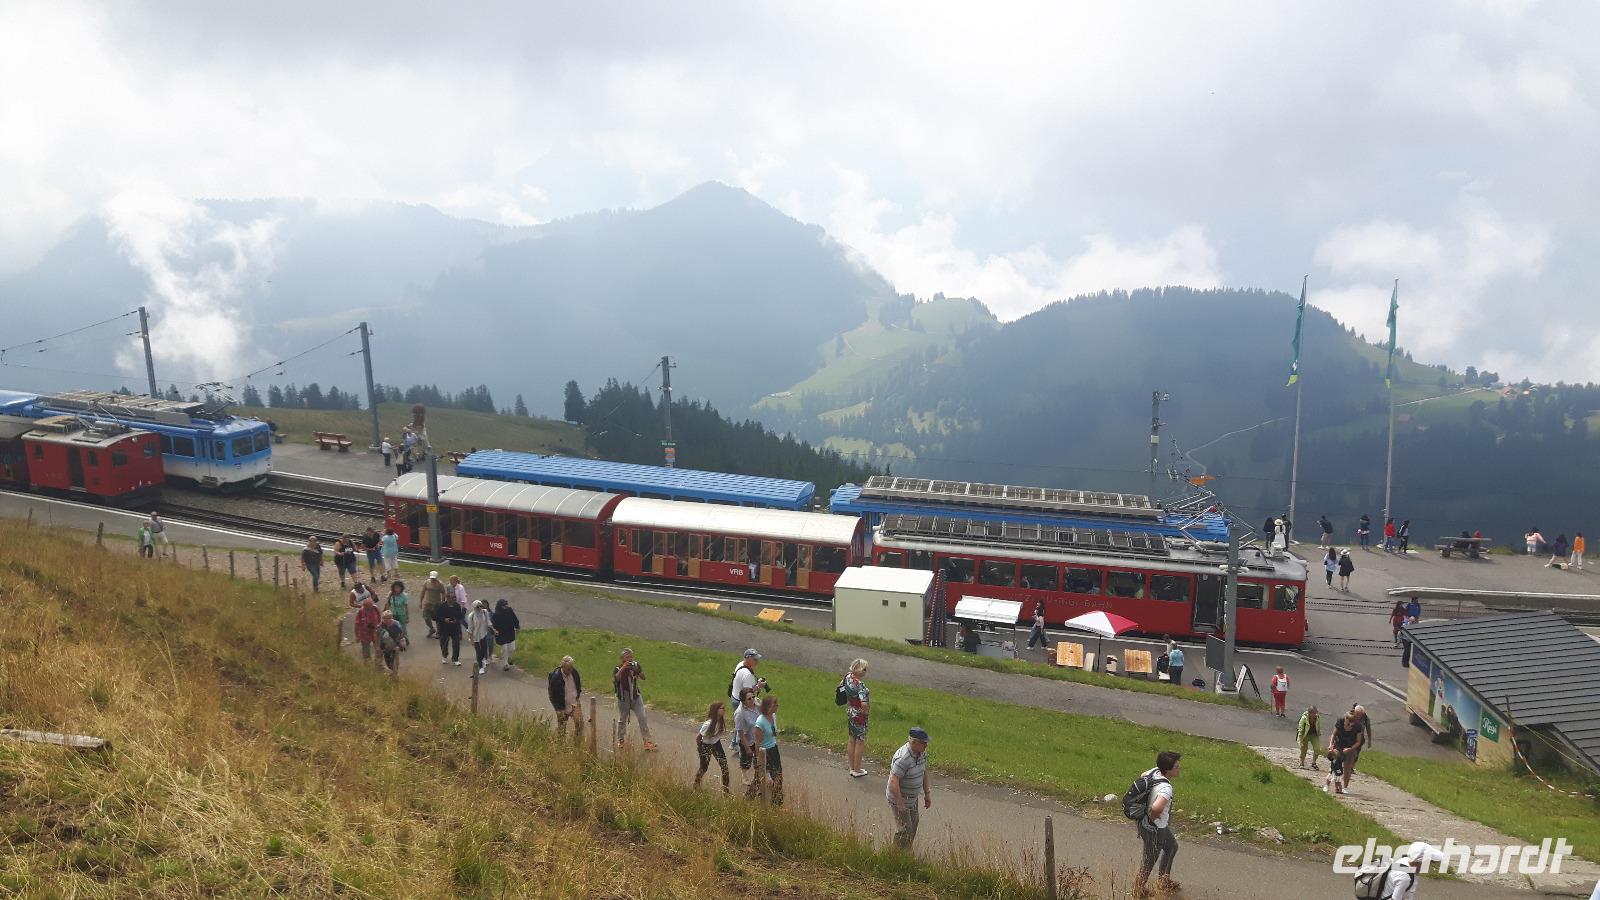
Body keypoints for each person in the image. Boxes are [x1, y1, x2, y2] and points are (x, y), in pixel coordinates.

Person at [1132, 751, 1181, 896]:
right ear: (1168, 770)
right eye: (1177, 767)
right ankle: (1138, 890)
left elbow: (1142, 775)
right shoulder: (1166, 789)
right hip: (1155, 828)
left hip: (1148, 823)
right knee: (1149, 860)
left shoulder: (1154, 771)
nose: (1179, 768)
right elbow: (1157, 807)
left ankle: (1163, 881)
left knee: (1172, 847)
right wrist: (1152, 818)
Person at [886, 726, 932, 851]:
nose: (926, 745)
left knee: (914, 823)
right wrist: (900, 803)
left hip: (912, 798)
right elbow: (893, 781)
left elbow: (923, 771)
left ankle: (906, 851)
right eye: (923, 743)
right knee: (904, 829)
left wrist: (927, 794)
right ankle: (896, 855)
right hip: (900, 799)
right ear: (914, 742)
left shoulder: (921, 753)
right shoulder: (903, 758)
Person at [613, 648, 656, 751]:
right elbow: (615, 679)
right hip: (623, 698)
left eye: (630, 656)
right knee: (622, 719)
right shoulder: (617, 668)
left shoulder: (635, 665)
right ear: (622, 659)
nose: (629, 659)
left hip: (635, 696)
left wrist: (637, 670)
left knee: (642, 717)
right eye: (627, 657)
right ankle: (621, 740)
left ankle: (647, 742)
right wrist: (623, 668)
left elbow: (643, 677)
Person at [749, 696, 782, 805]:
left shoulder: (773, 716)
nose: (777, 706)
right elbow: (757, 742)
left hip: (774, 749)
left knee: (778, 777)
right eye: (775, 704)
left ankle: (776, 803)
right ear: (769, 706)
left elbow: (773, 733)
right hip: (764, 752)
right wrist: (758, 759)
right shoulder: (760, 722)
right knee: (759, 779)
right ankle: (748, 798)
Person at [694, 701, 730, 793]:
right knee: (704, 767)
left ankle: (726, 790)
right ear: (716, 710)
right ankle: (696, 784)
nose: (724, 710)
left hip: (716, 744)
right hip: (705, 745)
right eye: (722, 708)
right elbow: (698, 737)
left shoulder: (721, 721)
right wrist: (701, 749)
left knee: (724, 767)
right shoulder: (708, 724)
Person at [843, 658, 871, 777]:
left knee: (851, 738)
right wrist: (865, 713)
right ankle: (857, 769)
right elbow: (863, 703)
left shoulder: (848, 677)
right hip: (859, 714)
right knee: (860, 741)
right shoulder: (860, 685)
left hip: (850, 710)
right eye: (865, 669)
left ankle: (851, 767)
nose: (866, 671)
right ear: (860, 670)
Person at [546, 656, 583, 739]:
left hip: (574, 704)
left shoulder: (574, 672)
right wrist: (559, 709)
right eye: (568, 669)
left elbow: (578, 685)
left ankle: (577, 746)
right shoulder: (556, 678)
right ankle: (561, 747)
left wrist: (577, 697)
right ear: (562, 667)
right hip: (562, 706)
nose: (570, 671)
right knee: (562, 728)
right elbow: (552, 696)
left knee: (580, 725)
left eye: (571, 668)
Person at [1330, 709, 1365, 793]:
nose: (1348, 725)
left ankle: (1345, 787)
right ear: (1345, 719)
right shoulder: (1340, 721)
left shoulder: (1358, 726)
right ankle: (1337, 787)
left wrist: (1351, 749)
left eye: (1350, 724)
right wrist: (1331, 744)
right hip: (1339, 746)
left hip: (1350, 747)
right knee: (1336, 766)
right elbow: (1333, 734)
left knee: (1347, 768)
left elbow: (1358, 741)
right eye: (1347, 723)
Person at [733, 686, 761, 785]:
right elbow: (740, 732)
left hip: (757, 737)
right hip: (746, 739)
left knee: (759, 759)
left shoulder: (757, 703)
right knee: (746, 760)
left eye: (753, 697)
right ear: (743, 701)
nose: (752, 700)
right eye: (749, 699)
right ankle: (744, 776)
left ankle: (759, 778)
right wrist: (748, 748)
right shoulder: (740, 713)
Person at [433, 587, 463, 666]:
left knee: (456, 643)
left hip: (454, 628)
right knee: (444, 643)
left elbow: (460, 616)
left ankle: (455, 659)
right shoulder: (442, 606)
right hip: (444, 628)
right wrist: (444, 619)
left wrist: (456, 619)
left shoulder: (457, 606)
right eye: (452, 598)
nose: (453, 599)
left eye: (454, 597)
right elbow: (435, 617)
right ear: (447, 598)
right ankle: (444, 656)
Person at [464, 599, 493, 675]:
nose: (479, 608)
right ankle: (480, 667)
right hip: (475, 636)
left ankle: (482, 660)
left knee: (484, 650)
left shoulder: (485, 612)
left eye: (480, 606)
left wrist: (493, 629)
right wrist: (471, 639)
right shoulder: (471, 616)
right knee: (478, 651)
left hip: (483, 634)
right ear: (474, 607)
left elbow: (488, 622)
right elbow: (470, 628)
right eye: (477, 607)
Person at [490, 598, 520, 671]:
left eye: (506, 604)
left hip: (510, 632)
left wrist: (517, 626)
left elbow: (514, 618)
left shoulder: (509, 610)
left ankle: (510, 658)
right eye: (504, 605)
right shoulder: (496, 614)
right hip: (501, 634)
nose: (506, 606)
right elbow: (491, 625)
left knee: (512, 648)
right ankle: (505, 664)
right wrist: (494, 631)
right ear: (500, 606)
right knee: (504, 649)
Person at [353, 593, 381, 666]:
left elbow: (380, 620)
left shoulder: (375, 609)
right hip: (364, 634)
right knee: (366, 650)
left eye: (370, 607)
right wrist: (357, 636)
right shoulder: (361, 612)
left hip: (375, 632)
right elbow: (356, 624)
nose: (368, 609)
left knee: (378, 648)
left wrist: (379, 627)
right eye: (367, 607)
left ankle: (378, 663)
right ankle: (367, 664)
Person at [378, 610, 406, 677]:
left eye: (388, 618)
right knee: (387, 660)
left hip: (395, 645)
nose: (386, 620)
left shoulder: (397, 624)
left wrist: (402, 642)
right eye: (385, 618)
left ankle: (395, 674)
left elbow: (401, 634)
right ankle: (392, 670)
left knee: (394, 660)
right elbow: (377, 634)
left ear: (391, 618)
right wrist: (377, 645)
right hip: (385, 646)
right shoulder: (381, 625)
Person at [419, 572, 446, 638]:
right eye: (431, 578)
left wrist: (443, 601)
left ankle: (438, 632)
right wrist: (420, 601)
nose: (432, 579)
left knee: (437, 619)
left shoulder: (440, 584)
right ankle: (431, 629)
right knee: (426, 617)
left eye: (434, 578)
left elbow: (443, 592)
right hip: (427, 603)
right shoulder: (427, 582)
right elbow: (423, 592)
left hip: (436, 603)